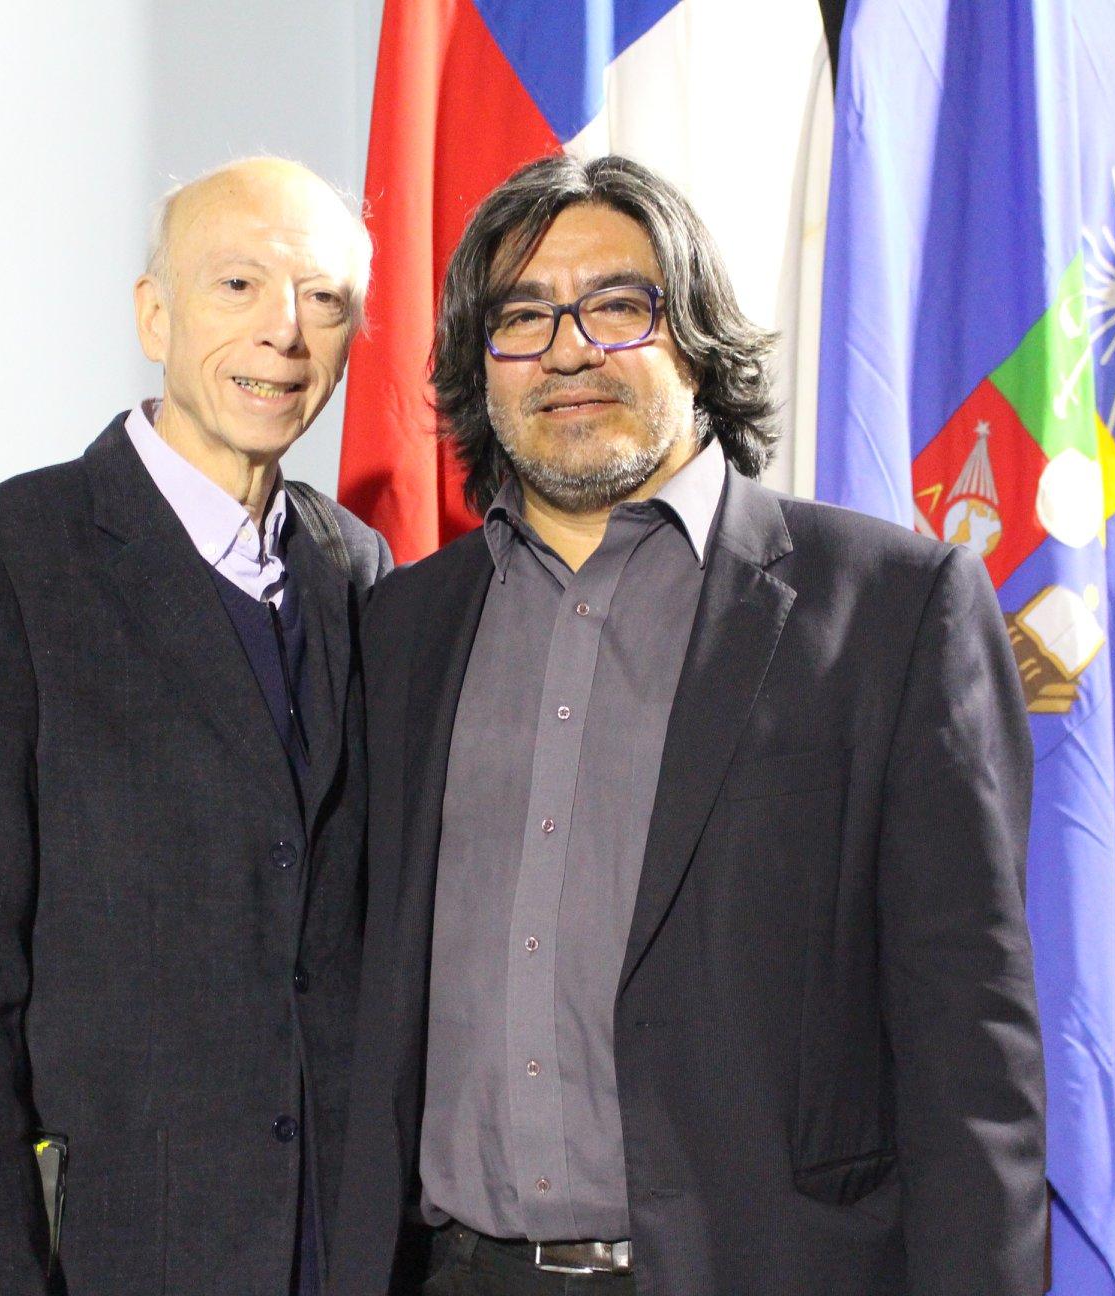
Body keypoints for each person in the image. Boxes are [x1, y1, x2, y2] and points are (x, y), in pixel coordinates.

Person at [327, 154, 1046, 1296]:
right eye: (522, 317)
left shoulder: (893, 612)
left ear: (698, 339)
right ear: (481, 367)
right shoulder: (403, 630)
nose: (570, 348)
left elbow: (974, 1060)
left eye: (619, 304)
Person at [0, 156, 392, 1296]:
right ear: (154, 314)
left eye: (325, 299)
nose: (285, 334)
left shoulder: (360, 570)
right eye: (238, 285)